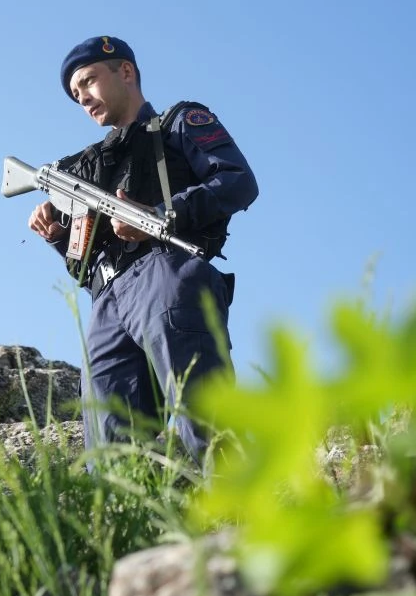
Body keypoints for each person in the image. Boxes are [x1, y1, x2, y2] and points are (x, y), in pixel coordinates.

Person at [28, 35, 259, 461]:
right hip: (106, 302)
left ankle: (237, 516)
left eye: (89, 82)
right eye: (76, 95)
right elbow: (85, 269)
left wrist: (160, 216)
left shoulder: (179, 123)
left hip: (166, 273)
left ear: (126, 72)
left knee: (204, 413)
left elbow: (237, 181)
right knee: (112, 453)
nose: (84, 99)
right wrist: (59, 237)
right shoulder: (91, 165)